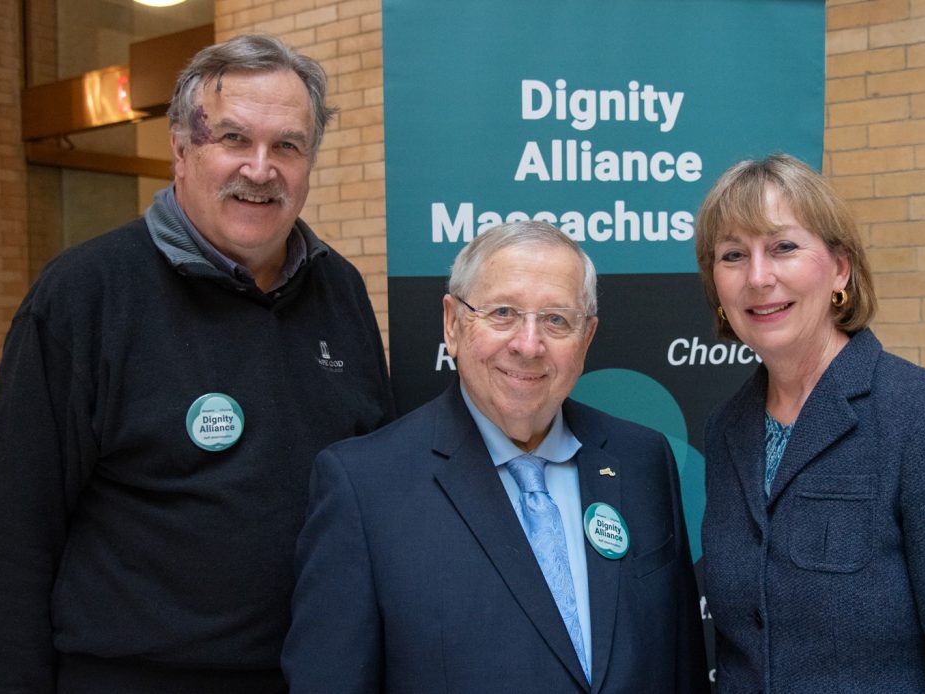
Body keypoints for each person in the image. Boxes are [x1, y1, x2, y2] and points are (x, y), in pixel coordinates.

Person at [0, 34, 395, 692]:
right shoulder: (82, 297)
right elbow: (12, 536)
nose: (261, 169)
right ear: (181, 149)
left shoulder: (339, 289)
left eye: (287, 145)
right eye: (233, 138)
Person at [282, 220, 709, 692]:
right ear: (453, 323)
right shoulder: (364, 487)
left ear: (585, 340)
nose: (528, 344)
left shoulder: (642, 460)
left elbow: (681, 665)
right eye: (503, 312)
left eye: (556, 320)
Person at [694, 153, 925, 693]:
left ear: (840, 268)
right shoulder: (727, 429)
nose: (758, 276)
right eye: (732, 255)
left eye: (783, 247)